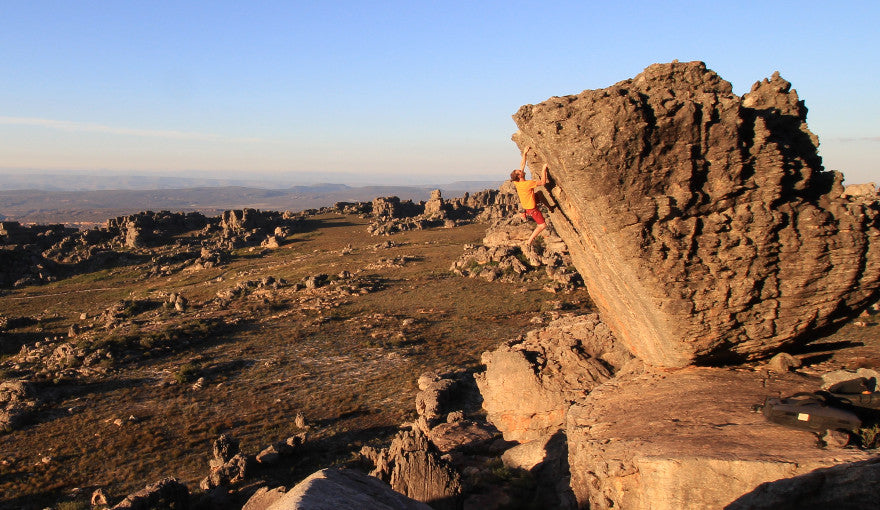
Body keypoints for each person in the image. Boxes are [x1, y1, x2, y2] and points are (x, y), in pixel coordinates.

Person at [510, 146, 553, 246]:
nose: (521, 170)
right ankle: (529, 241)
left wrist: (525, 153)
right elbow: (542, 182)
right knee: (542, 225)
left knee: (539, 194)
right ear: (519, 176)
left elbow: (522, 165)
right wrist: (544, 169)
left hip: (528, 205)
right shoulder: (527, 184)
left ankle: (549, 207)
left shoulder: (517, 183)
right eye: (519, 172)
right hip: (532, 208)